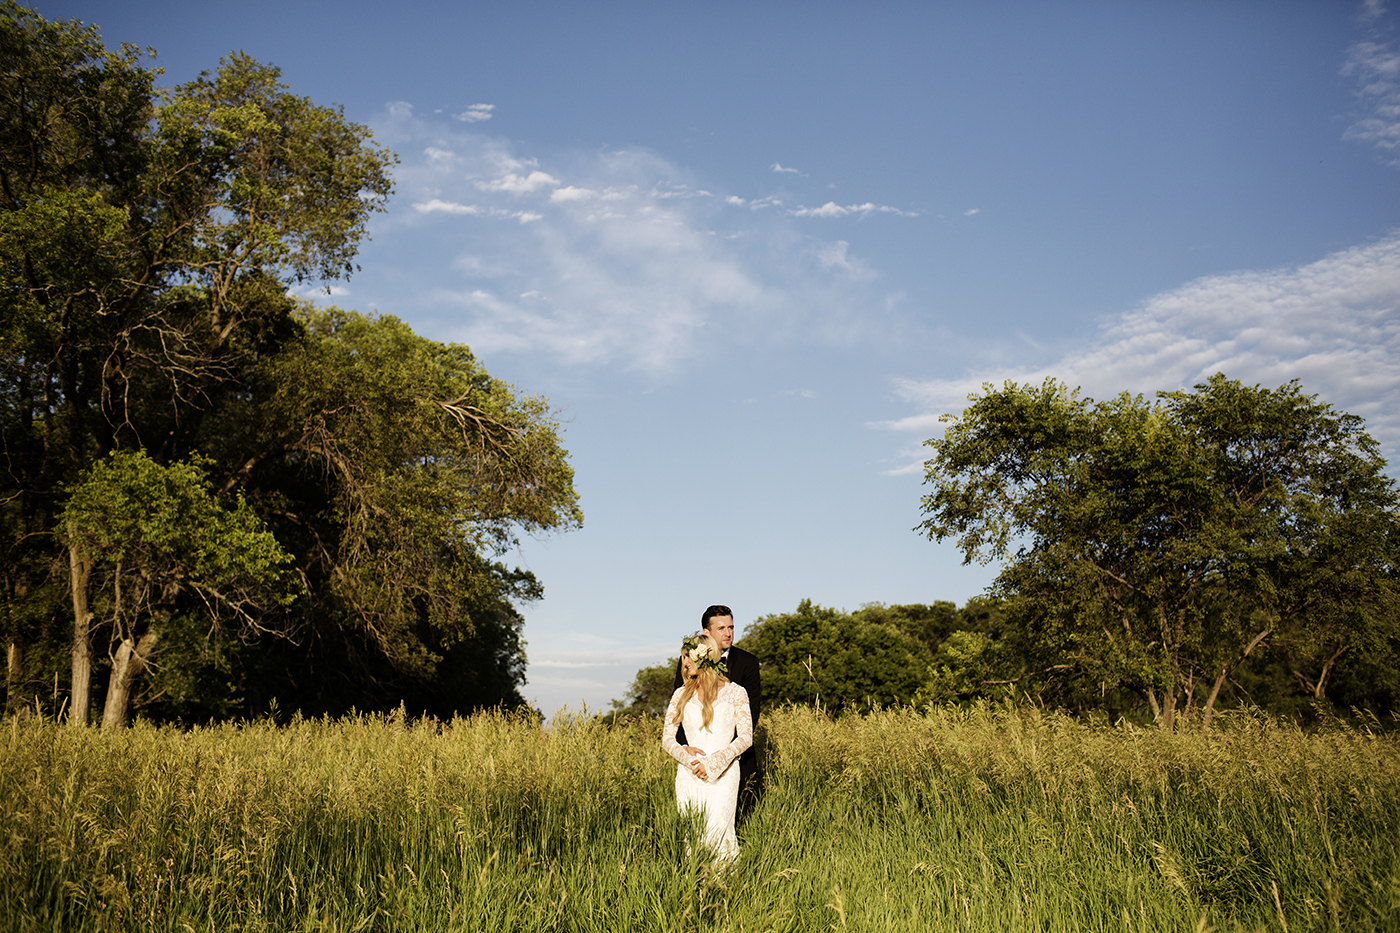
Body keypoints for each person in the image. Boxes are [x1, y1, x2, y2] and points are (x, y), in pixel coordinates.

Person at [661, 631, 753, 863]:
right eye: (683, 657)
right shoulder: (680, 694)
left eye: (690, 656)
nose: (686, 662)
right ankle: (697, 890)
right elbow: (667, 739)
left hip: (724, 772)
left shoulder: (736, 692)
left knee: (720, 831)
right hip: (689, 773)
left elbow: (745, 738)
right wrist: (689, 757)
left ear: (708, 657)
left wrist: (714, 763)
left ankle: (726, 892)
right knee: (693, 834)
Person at [673, 605, 762, 807]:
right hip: (694, 760)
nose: (728, 633)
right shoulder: (688, 663)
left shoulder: (748, 663)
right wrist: (685, 748)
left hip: (737, 756)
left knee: (739, 818)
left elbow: (752, 714)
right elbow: (679, 710)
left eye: (731, 627)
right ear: (706, 632)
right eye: (721, 628)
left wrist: (722, 757)